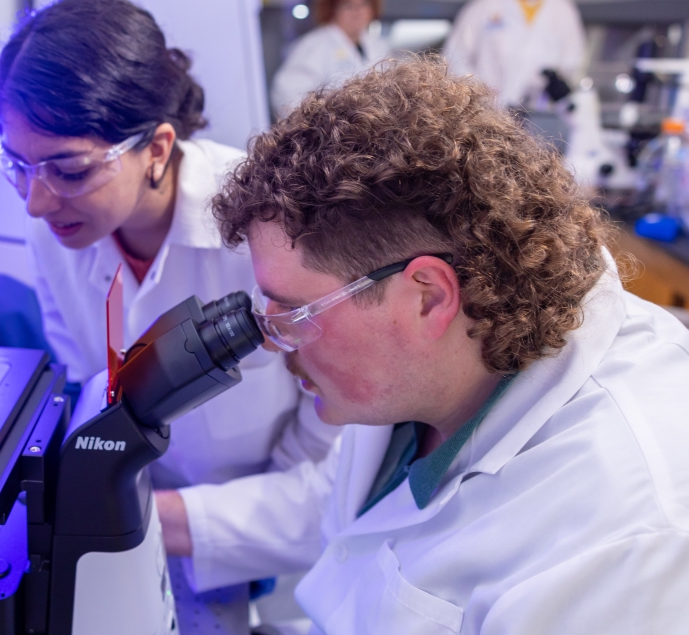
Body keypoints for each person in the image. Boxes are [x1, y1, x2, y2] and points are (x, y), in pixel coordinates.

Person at [157, 56, 689, 632]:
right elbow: (355, 534)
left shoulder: (624, 532)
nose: (273, 343)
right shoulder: (430, 374)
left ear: (428, 296)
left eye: (296, 312)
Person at [443, 0, 586, 109]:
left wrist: (557, 83)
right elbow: (454, 57)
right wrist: (479, 91)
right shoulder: (485, 5)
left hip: (539, 113)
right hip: (486, 109)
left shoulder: (563, 10)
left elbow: (573, 63)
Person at [270, 0, 390, 118]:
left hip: (372, 127)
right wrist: (313, 126)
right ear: (333, 9)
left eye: (363, 4)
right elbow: (285, 92)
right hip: (331, 130)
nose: (357, 12)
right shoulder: (314, 45)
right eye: (348, 6)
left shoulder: (378, 45)